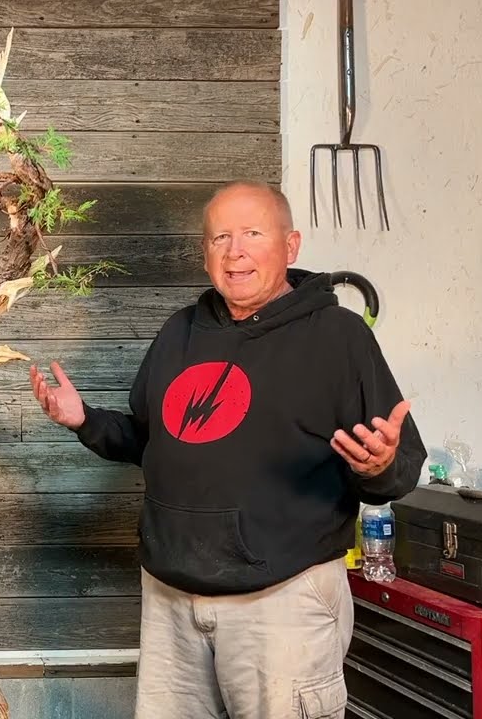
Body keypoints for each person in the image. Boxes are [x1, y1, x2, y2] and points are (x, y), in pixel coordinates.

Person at [28, 180, 427, 719]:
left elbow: (400, 466)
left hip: (282, 600)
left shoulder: (339, 336)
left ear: (290, 246)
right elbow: (151, 442)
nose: (235, 251)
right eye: (220, 238)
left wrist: (379, 466)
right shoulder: (180, 333)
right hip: (171, 599)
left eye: (253, 234)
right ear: (205, 254)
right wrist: (85, 421)